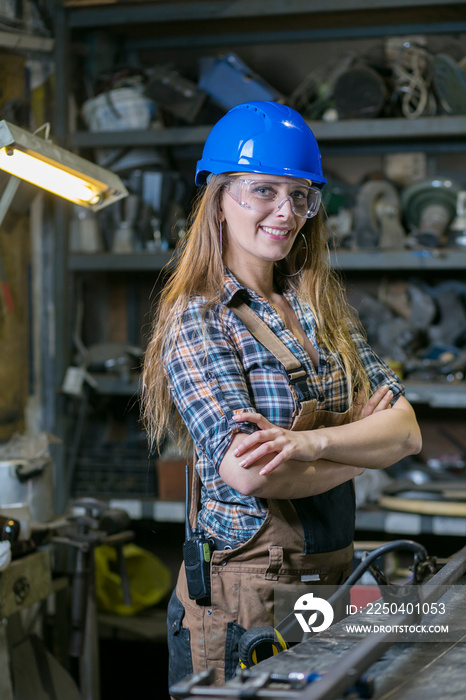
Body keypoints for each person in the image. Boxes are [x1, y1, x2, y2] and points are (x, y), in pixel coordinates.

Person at [141, 101, 422, 689]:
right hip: (244, 603)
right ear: (218, 197)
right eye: (264, 190)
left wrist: (307, 443)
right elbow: (251, 475)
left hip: (331, 581)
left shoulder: (320, 308)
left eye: (300, 195)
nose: (285, 212)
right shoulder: (198, 321)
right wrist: (360, 452)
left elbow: (406, 432)